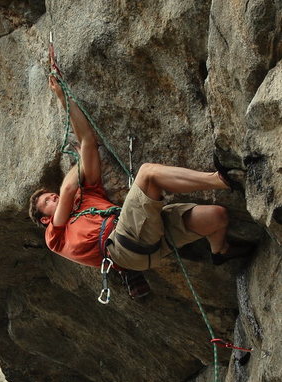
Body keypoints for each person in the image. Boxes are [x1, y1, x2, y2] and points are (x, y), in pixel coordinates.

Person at [29, 76, 254, 290]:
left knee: (217, 216)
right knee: (147, 173)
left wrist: (62, 96)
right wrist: (78, 164)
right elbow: (68, 188)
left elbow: (87, 140)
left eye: (50, 194)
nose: (54, 197)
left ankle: (220, 252)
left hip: (145, 236)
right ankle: (223, 179)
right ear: (46, 218)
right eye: (48, 201)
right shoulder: (55, 235)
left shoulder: (88, 196)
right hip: (122, 246)